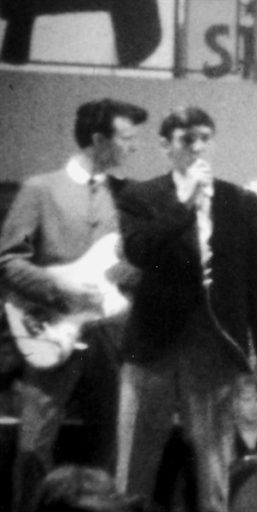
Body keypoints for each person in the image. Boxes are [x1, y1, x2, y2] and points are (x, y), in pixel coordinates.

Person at [115, 106, 257, 512]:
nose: (198, 147)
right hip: (152, 349)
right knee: (133, 471)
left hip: (214, 350)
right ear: (165, 146)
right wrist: (184, 201)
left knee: (213, 478)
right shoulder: (141, 196)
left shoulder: (240, 201)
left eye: (205, 137)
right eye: (188, 139)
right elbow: (141, 252)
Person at [0, 98, 147, 512]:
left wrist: (133, 273)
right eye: (126, 137)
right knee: (33, 447)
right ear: (98, 140)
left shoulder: (129, 197)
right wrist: (62, 289)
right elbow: (10, 260)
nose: (133, 146)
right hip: (49, 330)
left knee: (111, 448)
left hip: (108, 336)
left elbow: (136, 267)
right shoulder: (40, 189)